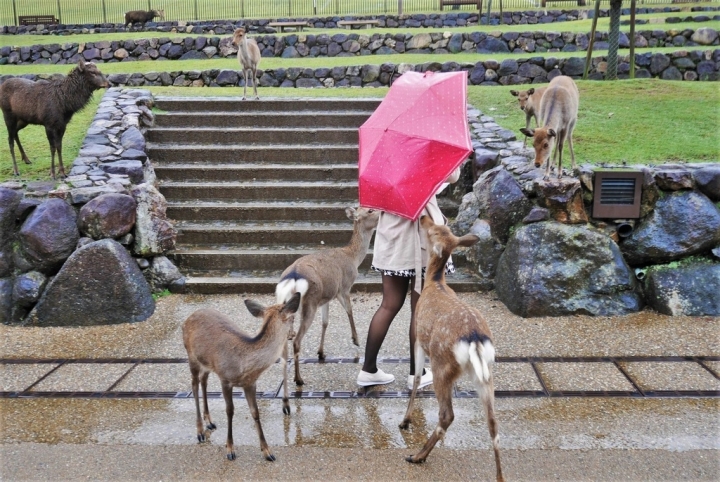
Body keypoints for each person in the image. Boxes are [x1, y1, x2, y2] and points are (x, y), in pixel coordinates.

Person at [357, 166, 462, 389]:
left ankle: (368, 369)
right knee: (419, 308)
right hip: (421, 237)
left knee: (388, 305)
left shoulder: (386, 155)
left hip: (392, 235)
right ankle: (416, 373)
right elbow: (453, 176)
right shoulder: (428, 150)